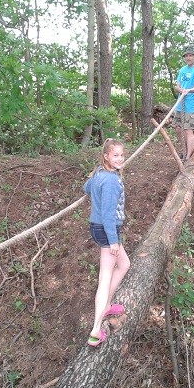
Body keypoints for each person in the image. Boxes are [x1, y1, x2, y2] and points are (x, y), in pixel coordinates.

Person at [83, 138, 131, 347]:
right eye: (115, 155)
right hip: (107, 230)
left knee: (125, 264)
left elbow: (86, 188)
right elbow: (109, 215)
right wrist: (113, 242)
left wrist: (97, 174)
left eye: (121, 155)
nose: (120, 159)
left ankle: (108, 305)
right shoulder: (111, 181)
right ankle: (95, 330)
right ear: (106, 157)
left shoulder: (100, 174)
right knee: (105, 278)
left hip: (98, 228)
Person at [173, 45, 194, 160]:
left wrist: (189, 90)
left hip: (191, 106)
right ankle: (184, 150)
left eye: (190, 55)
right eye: (186, 56)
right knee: (177, 128)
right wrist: (180, 89)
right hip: (180, 105)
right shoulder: (182, 70)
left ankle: (188, 157)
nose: (188, 58)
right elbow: (177, 85)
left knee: (188, 131)